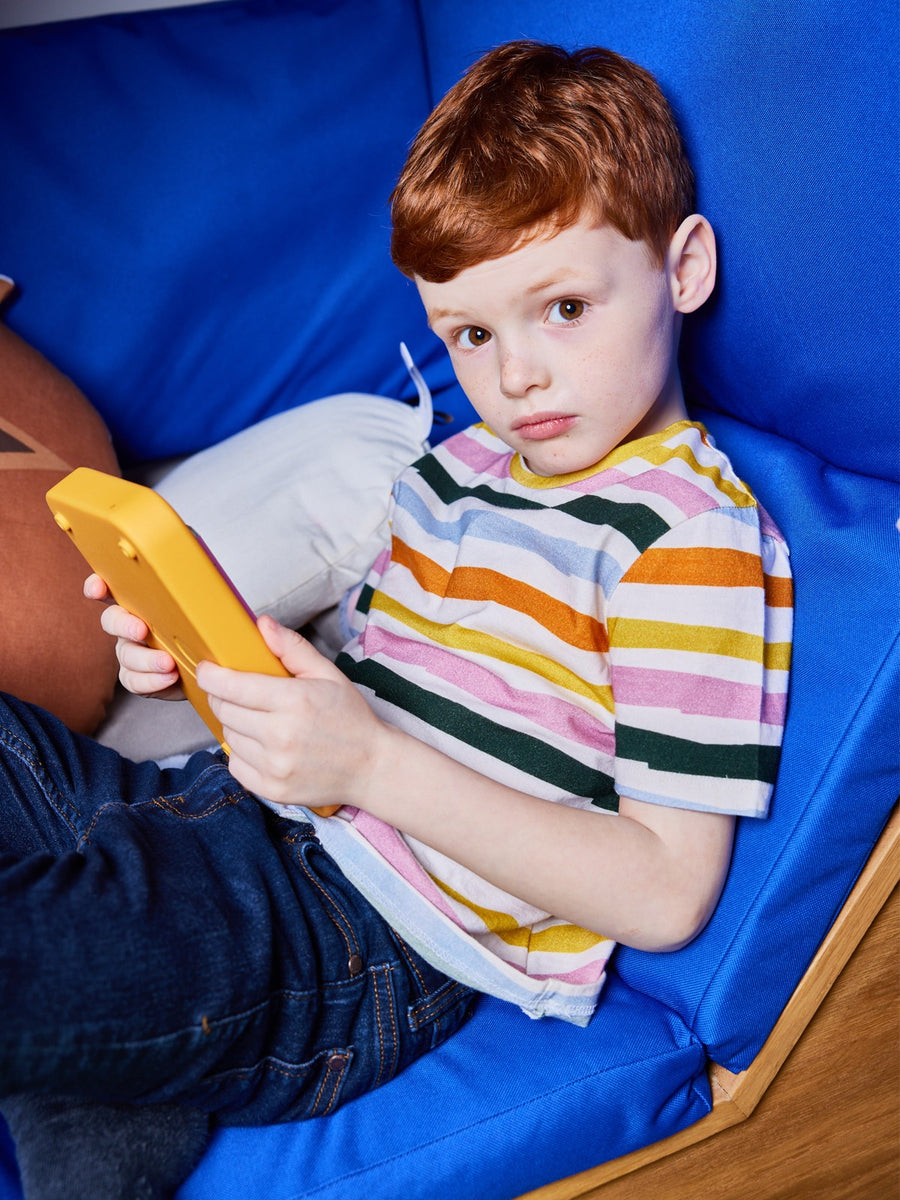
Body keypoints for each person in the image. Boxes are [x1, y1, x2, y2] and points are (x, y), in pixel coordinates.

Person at [0, 40, 792, 1197]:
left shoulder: (683, 539)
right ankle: (123, 1083)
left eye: (563, 307)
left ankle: (115, 1052)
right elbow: (357, 692)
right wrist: (197, 659)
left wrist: (366, 763)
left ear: (684, 267)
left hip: (359, 942)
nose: (515, 376)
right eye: (471, 334)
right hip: (226, 816)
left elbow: (665, 894)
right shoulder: (462, 467)